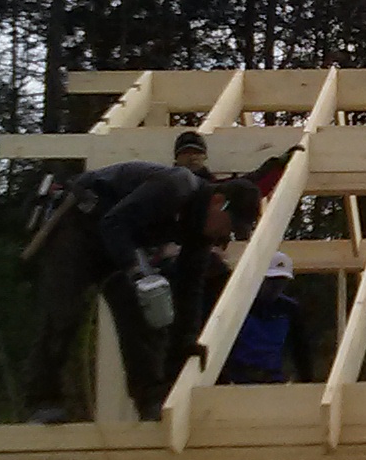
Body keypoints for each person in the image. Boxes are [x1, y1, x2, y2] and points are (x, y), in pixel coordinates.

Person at [26, 163, 260, 423]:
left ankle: (151, 398)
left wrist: (186, 341)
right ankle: (42, 400)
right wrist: (136, 269)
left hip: (119, 242)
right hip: (80, 226)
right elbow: (114, 223)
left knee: (142, 311)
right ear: (218, 201)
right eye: (230, 225)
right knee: (63, 312)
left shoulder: (199, 232)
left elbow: (190, 289)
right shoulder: (176, 187)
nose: (226, 235)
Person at [220, 248, 318, 385]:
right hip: (238, 379)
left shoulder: (289, 309)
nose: (276, 286)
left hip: (272, 379)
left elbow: (301, 350)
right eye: (271, 280)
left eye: (281, 281)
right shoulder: (239, 305)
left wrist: (307, 383)